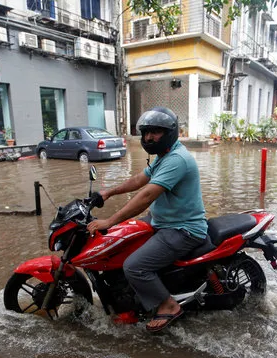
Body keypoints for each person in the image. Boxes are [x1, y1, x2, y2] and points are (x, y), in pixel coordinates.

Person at [87, 107, 208, 332]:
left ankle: (169, 305)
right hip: (161, 220)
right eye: (146, 132)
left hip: (183, 229)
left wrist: (109, 221)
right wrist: (108, 192)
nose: (149, 137)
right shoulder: (164, 157)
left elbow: (146, 196)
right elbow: (138, 180)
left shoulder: (177, 160)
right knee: (121, 242)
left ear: (170, 133)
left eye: (155, 132)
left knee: (134, 266)